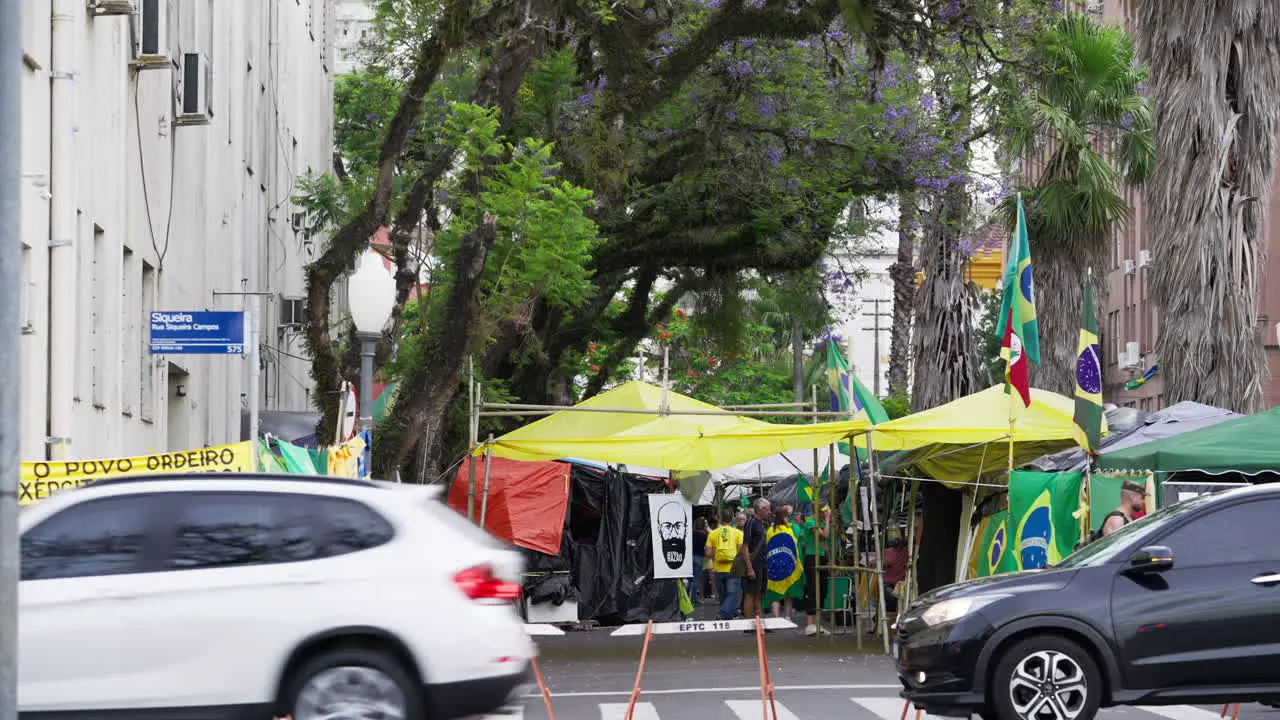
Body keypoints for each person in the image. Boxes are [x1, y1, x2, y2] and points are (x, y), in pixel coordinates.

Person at [793, 505, 831, 636]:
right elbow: (825, 535)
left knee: (823, 591)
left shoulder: (821, 523)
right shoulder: (810, 522)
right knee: (813, 591)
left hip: (821, 558)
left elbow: (825, 545)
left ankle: (818, 624)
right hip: (812, 558)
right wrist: (827, 520)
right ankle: (810, 624)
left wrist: (829, 559)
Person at [738, 498, 771, 626]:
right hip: (754, 564)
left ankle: (758, 623)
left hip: (762, 563)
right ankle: (748, 624)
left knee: (759, 594)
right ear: (761, 509)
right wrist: (749, 567)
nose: (769, 512)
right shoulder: (751, 523)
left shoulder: (760, 523)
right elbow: (745, 546)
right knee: (750, 594)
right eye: (767, 509)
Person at [706, 510, 744, 619]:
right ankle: (724, 613)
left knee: (723, 595)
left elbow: (708, 553)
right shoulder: (738, 533)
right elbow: (741, 551)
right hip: (733, 569)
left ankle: (727, 616)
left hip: (718, 568)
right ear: (732, 519)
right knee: (732, 594)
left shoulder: (713, 533)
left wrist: (717, 553)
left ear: (720, 519)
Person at [766, 505, 799, 620]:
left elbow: (768, 545)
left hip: (773, 565)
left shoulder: (770, 530)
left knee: (775, 592)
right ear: (783, 518)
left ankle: (776, 617)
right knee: (788, 593)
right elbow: (794, 546)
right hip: (787, 564)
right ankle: (787, 617)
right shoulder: (788, 530)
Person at [883, 537, 908, 614]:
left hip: (893, 584)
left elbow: (886, 563)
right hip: (899, 583)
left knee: (892, 602)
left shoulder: (890, 551)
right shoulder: (906, 552)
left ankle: (891, 614)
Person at [690, 517, 709, 604]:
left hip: (690, 557)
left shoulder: (691, 534)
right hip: (699, 557)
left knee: (690, 579)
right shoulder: (704, 536)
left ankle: (689, 597)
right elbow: (706, 548)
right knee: (696, 580)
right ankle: (693, 598)